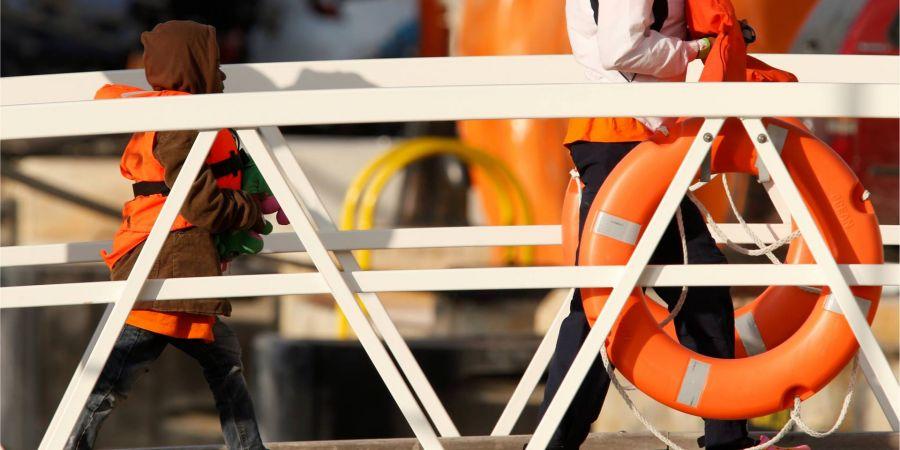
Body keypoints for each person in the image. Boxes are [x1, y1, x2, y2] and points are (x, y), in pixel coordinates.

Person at [538, 1, 808, 449]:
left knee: (621, 296)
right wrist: (698, 49)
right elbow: (620, 49)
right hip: (624, 141)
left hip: (624, 138)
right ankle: (723, 438)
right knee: (622, 297)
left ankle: (722, 436)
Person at [66, 21, 268, 450]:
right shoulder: (179, 121)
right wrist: (249, 209)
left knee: (223, 363)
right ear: (192, 66)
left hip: (171, 260)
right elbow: (201, 204)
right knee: (114, 377)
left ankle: (249, 447)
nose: (220, 73)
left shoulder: (170, 113)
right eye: (212, 62)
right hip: (165, 264)